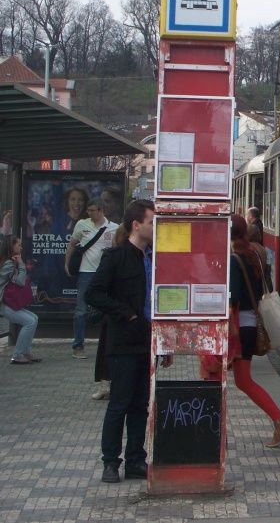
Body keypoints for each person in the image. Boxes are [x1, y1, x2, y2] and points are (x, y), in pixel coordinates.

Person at [86, 199, 170, 484]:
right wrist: (126, 314)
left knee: (140, 405)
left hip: (146, 342)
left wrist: (164, 342)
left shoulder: (151, 257)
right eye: (151, 221)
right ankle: (111, 462)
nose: (155, 226)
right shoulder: (116, 256)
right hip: (122, 342)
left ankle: (136, 459)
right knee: (119, 404)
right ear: (137, 225)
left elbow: (158, 301)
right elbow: (94, 294)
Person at [228, 213, 280, 448]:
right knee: (241, 380)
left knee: (244, 380)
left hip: (240, 326)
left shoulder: (235, 259)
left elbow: (233, 297)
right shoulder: (253, 255)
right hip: (251, 323)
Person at [65, 198, 116, 360]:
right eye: (88, 211)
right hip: (86, 271)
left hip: (104, 273)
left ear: (101, 211)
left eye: (92, 210)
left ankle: (107, 344)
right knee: (81, 310)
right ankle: (78, 345)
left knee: (107, 309)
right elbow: (72, 244)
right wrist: (67, 263)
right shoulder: (82, 225)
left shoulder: (113, 228)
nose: (89, 213)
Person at [1, 235, 40, 365]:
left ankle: (25, 351)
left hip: (7, 302)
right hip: (3, 303)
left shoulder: (9, 261)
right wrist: (21, 264)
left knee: (33, 318)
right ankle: (17, 354)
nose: (21, 247)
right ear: (11, 246)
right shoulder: (8, 263)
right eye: (18, 244)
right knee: (29, 321)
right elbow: (20, 282)